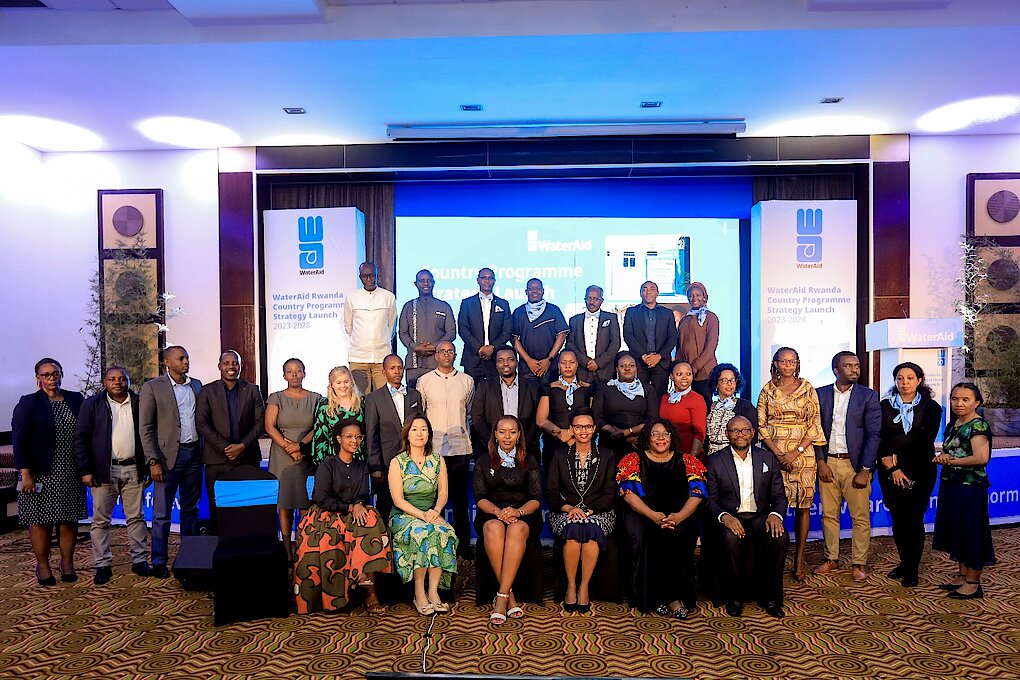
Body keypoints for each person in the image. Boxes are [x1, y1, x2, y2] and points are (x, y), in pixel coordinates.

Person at [294, 419, 392, 614]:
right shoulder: (327, 465)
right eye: (349, 437)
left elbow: (363, 494)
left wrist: (357, 505)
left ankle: (369, 589)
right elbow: (321, 499)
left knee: (370, 519)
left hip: (351, 512)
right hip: (326, 514)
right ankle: (341, 591)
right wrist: (350, 507)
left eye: (358, 437)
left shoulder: (362, 465)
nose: (354, 441)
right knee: (331, 534)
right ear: (339, 439)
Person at [617, 419, 706, 618]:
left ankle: (674, 598)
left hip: (679, 514)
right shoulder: (633, 459)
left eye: (665, 433)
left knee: (678, 535)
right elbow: (629, 494)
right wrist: (652, 516)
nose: (660, 437)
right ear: (647, 438)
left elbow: (697, 493)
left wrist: (680, 516)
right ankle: (651, 597)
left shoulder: (687, 461)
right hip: (643, 512)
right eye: (655, 433)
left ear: (672, 437)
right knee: (644, 535)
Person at [73, 366, 150, 584]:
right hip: (102, 471)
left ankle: (139, 560)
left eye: (122, 379)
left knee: (136, 518)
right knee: (100, 521)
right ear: (105, 382)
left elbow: (148, 434)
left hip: (134, 468)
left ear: (128, 381)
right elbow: (81, 440)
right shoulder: (92, 405)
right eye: (112, 379)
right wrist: (85, 470)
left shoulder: (139, 402)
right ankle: (102, 564)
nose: (117, 383)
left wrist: (147, 466)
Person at [13, 358, 86, 585]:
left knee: (68, 520)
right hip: (39, 472)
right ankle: (43, 566)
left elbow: (84, 433)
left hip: (69, 470)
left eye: (55, 373)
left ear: (61, 375)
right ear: (38, 379)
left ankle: (67, 563)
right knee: (40, 521)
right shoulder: (29, 403)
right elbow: (19, 440)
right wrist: (25, 472)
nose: (52, 378)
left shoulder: (76, 399)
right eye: (46, 375)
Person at [706, 416, 788, 618]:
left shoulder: (767, 458)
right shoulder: (715, 461)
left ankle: (771, 597)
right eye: (734, 431)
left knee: (780, 537)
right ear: (727, 435)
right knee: (730, 538)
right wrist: (724, 517)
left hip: (761, 516)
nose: (740, 434)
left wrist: (775, 515)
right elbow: (710, 500)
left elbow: (779, 497)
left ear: (752, 433)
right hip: (732, 516)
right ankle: (734, 596)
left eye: (745, 430)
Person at [756, 346, 825, 582]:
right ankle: (774, 555)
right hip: (774, 454)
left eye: (792, 361)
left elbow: (815, 424)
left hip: (803, 455)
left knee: (803, 506)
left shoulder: (808, 389)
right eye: (783, 361)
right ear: (775, 363)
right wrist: (777, 453)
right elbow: (761, 425)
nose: (788, 365)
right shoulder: (767, 390)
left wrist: (796, 452)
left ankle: (799, 558)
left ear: (797, 364)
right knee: (775, 505)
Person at [813, 351, 882, 582]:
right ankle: (831, 558)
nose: (855, 370)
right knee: (829, 516)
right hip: (828, 462)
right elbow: (814, 431)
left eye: (857, 366)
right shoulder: (819, 394)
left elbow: (874, 435)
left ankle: (858, 563)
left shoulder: (868, 396)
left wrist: (865, 469)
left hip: (856, 466)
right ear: (836, 370)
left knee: (860, 517)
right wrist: (820, 462)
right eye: (849, 366)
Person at [877, 361, 943, 588]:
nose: (904, 383)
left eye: (910, 378)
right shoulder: (884, 406)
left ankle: (912, 569)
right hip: (889, 471)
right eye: (900, 379)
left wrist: (901, 467)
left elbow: (923, 442)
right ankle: (904, 563)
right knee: (898, 519)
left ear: (919, 380)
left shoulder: (932, 407)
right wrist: (891, 467)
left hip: (920, 471)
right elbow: (879, 438)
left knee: (913, 520)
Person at [139, 345, 203, 577]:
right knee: (162, 514)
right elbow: (145, 428)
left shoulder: (196, 385)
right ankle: (158, 562)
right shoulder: (153, 387)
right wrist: (152, 461)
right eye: (181, 358)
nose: (187, 361)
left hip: (194, 454)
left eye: (187, 357)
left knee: (190, 510)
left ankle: (190, 559)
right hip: (166, 460)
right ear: (167, 362)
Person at [473, 415, 543, 624]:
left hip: (523, 514)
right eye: (502, 431)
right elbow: (480, 498)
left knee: (516, 529)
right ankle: (508, 596)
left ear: (519, 434)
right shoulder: (484, 459)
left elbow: (536, 499)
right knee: (494, 527)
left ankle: (501, 597)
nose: (507, 436)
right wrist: (498, 512)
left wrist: (518, 512)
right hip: (492, 512)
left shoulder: (529, 459)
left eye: (512, 432)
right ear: (495, 434)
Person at [546, 411, 616, 613]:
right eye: (578, 427)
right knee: (574, 531)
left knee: (591, 532)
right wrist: (569, 508)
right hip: (565, 511)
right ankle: (571, 585)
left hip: (599, 512)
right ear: (571, 430)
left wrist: (589, 511)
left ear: (594, 429)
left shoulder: (607, 455)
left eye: (587, 427)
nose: (583, 431)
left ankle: (584, 586)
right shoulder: (559, 456)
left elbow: (610, 493)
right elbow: (551, 491)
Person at [388, 416, 459, 615]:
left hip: (431, 512)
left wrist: (435, 511)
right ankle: (419, 592)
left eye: (424, 429)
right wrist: (421, 515)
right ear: (407, 434)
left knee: (444, 532)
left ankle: (433, 592)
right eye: (415, 430)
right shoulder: (398, 462)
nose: (420, 434)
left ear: (429, 434)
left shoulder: (438, 460)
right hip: (404, 515)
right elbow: (398, 500)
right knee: (422, 533)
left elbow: (443, 493)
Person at [932, 383, 995, 599]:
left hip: (970, 488)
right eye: (954, 399)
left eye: (965, 399)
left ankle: (973, 582)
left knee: (971, 532)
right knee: (957, 530)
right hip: (951, 484)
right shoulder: (953, 424)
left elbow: (981, 458)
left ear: (976, 402)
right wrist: (943, 457)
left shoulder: (977, 426)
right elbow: (951, 450)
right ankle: (961, 575)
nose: (959, 403)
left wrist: (951, 461)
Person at [415, 340, 475, 556]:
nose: (446, 355)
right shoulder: (424, 381)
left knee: (459, 499)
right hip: (433, 449)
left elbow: (468, 413)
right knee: (430, 498)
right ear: (436, 356)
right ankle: (430, 543)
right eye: (442, 351)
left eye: (450, 351)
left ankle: (464, 546)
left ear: (456, 354)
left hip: (460, 447)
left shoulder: (467, 381)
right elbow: (421, 414)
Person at [196, 350, 265, 532]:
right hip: (216, 460)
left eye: (234, 363)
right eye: (226, 363)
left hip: (247, 458)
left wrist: (241, 446)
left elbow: (260, 423)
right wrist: (226, 448)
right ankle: (220, 550)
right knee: (218, 509)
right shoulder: (207, 391)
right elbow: (202, 423)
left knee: (248, 509)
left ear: (240, 366)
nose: (231, 367)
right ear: (220, 366)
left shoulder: (252, 390)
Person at [265, 358, 320, 562]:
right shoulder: (276, 397)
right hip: (282, 456)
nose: (294, 374)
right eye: (290, 371)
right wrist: (289, 447)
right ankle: (287, 547)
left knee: (305, 503)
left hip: (306, 454)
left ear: (304, 373)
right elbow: (270, 427)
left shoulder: (316, 398)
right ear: (284, 375)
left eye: (298, 371)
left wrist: (300, 446)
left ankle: (303, 546)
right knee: (285, 503)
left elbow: (318, 426)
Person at [364, 355, 424, 521]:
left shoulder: (414, 395)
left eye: (399, 367)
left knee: (412, 506)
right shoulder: (374, 398)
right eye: (392, 368)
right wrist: (375, 466)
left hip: (413, 461)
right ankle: (384, 543)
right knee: (385, 506)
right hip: (386, 463)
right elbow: (371, 434)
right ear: (384, 372)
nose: (397, 371)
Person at [470, 348, 540, 462]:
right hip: (491, 451)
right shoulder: (485, 386)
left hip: (526, 451)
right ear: (496, 364)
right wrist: (493, 442)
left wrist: (524, 443)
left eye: (510, 360)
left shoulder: (532, 386)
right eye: (501, 360)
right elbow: (477, 418)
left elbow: (537, 419)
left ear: (517, 362)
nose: (505, 364)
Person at [593, 352, 658, 463]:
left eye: (631, 365)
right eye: (623, 366)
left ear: (636, 368)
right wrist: (615, 432)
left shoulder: (647, 389)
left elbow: (652, 419)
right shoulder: (605, 388)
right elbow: (596, 416)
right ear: (617, 369)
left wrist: (627, 432)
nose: (627, 368)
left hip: (638, 440)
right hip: (610, 438)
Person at [536, 350, 595, 472]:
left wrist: (574, 435)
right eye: (563, 362)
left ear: (577, 364)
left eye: (571, 362)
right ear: (558, 365)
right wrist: (561, 434)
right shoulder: (548, 388)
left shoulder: (587, 389)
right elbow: (541, 420)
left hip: (582, 443)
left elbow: (593, 418)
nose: (567, 366)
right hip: (555, 443)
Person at [344, 261, 397, 394]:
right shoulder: (352, 298)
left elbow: (391, 325)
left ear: (377, 275)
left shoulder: (388, 297)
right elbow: (348, 326)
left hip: (382, 357)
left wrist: (381, 340)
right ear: (360, 277)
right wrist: (361, 341)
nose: (368, 279)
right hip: (358, 358)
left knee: (384, 398)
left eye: (372, 275)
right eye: (365, 276)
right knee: (360, 399)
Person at [398, 268, 456, 387]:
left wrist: (434, 346)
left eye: (429, 280)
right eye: (422, 280)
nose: (426, 283)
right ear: (416, 284)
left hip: (436, 363)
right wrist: (416, 347)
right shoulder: (409, 306)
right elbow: (402, 333)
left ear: (433, 283)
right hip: (414, 363)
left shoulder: (444, 306)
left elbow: (451, 333)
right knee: (414, 401)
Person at [458, 267, 513, 385]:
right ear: (478, 280)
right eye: (484, 278)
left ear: (494, 281)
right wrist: (480, 348)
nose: (487, 281)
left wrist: (492, 347)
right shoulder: (467, 303)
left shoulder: (503, 304)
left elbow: (507, 330)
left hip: (496, 358)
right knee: (471, 397)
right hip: (472, 358)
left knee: (495, 397)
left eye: (490, 278)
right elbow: (463, 329)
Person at [622, 280, 676, 399]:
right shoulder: (632, 312)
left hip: (661, 362)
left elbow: (672, 337)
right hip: (640, 362)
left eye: (652, 289)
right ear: (641, 293)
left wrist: (659, 356)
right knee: (639, 397)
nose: (648, 292)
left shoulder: (667, 313)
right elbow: (628, 335)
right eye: (645, 289)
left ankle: (657, 419)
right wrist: (642, 355)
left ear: (657, 293)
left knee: (659, 398)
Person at [510, 278, 568, 386]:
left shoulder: (553, 310)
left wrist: (549, 359)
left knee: (550, 400)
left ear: (543, 291)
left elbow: (562, 334)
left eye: (538, 288)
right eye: (531, 289)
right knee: (527, 400)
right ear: (526, 292)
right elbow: (513, 338)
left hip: (550, 366)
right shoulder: (518, 312)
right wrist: (529, 360)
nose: (535, 291)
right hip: (527, 368)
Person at [675, 282, 719, 407]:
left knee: (704, 405)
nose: (694, 298)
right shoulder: (685, 319)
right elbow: (680, 345)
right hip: (686, 372)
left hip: (704, 371)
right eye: (691, 295)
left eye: (698, 295)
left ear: (704, 297)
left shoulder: (710, 318)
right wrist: (681, 367)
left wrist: (696, 366)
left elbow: (711, 345)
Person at [566, 285, 621, 384]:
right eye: (589, 298)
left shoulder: (611, 318)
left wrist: (598, 362)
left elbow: (615, 343)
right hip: (582, 372)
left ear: (602, 300)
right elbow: (570, 344)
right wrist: (585, 361)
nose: (591, 302)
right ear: (585, 299)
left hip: (605, 371)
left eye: (595, 299)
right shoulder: (575, 320)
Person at [311, 366, 364, 467]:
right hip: (333, 461)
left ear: (351, 383)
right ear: (332, 385)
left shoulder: (362, 403)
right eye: (338, 383)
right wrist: (322, 464)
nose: (343, 386)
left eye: (346, 382)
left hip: (359, 460)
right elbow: (320, 434)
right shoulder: (325, 404)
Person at [704, 363, 758, 456]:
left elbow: (753, 436)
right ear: (716, 383)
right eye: (724, 380)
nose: (729, 383)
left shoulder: (746, 407)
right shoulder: (710, 407)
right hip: (711, 456)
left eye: (732, 380)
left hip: (736, 455)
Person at [659, 361, 707, 460]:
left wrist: (691, 459)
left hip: (688, 454)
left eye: (688, 374)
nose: (685, 377)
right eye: (679, 374)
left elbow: (700, 433)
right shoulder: (664, 398)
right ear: (671, 376)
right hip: (666, 453)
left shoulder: (696, 399)